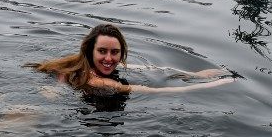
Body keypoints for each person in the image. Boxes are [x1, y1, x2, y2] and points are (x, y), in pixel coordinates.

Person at [28, 23, 235, 94]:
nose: (109, 58)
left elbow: (155, 70)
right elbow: (152, 90)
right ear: (90, 51)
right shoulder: (96, 80)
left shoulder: (78, 64)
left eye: (115, 52)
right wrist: (212, 86)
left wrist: (198, 75)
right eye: (102, 51)